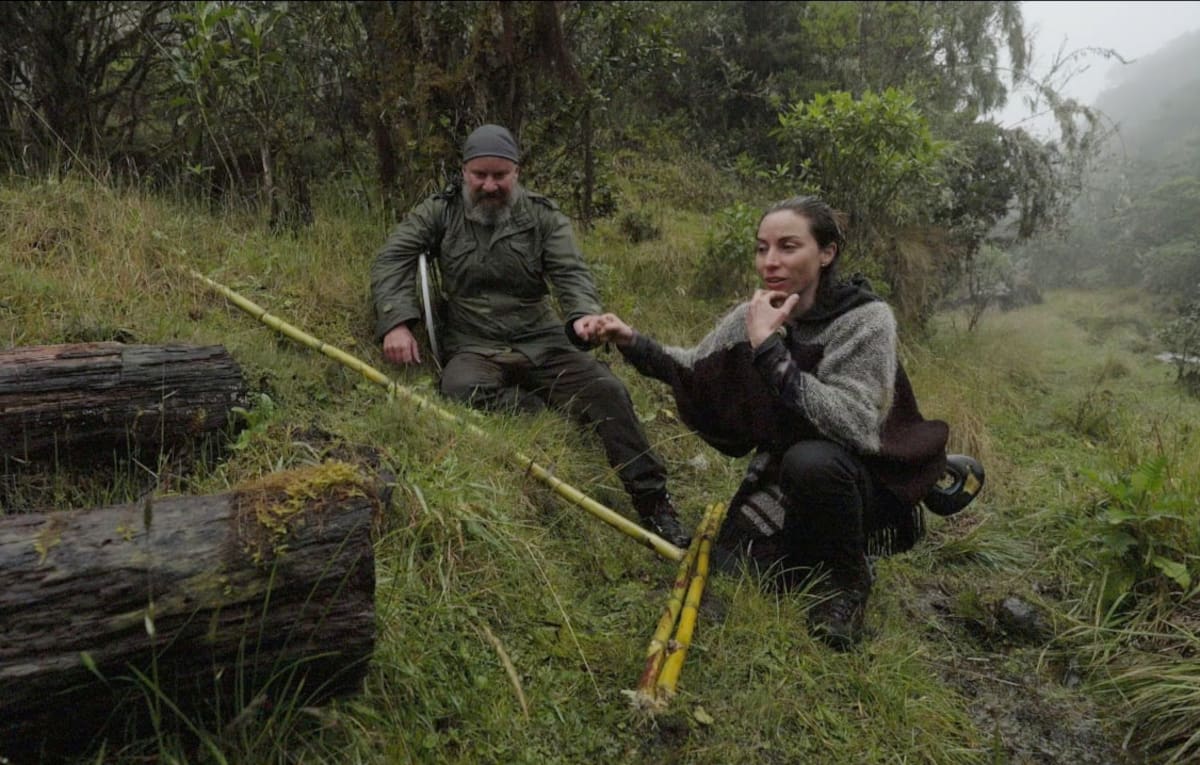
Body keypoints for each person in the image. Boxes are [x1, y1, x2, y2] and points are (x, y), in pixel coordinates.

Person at [580, 196, 950, 650]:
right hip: (783, 471)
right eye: (762, 248)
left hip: (864, 474)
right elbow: (694, 370)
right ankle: (813, 547)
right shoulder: (753, 315)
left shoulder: (867, 321)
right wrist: (631, 339)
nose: (770, 262)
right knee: (737, 568)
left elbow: (855, 424)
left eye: (788, 247)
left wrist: (769, 352)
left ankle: (849, 580)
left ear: (826, 253)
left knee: (810, 462)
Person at [370, 124, 690, 549]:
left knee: (608, 392)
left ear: (516, 172)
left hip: (542, 340)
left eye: (499, 175)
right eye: (479, 175)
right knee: (460, 388)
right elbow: (392, 257)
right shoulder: (439, 212)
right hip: (474, 342)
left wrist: (582, 318)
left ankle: (654, 503)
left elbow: (571, 272)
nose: (489, 185)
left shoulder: (544, 216)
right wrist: (397, 322)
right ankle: (542, 415)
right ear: (464, 172)